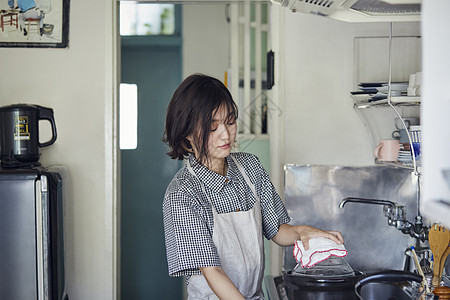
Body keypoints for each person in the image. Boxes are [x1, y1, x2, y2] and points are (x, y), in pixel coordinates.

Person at [162, 73, 344, 300]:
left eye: (230, 121)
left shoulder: (250, 167)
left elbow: (277, 230)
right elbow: (212, 271)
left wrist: (302, 232)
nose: (225, 134)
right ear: (187, 133)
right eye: (212, 127)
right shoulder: (182, 194)